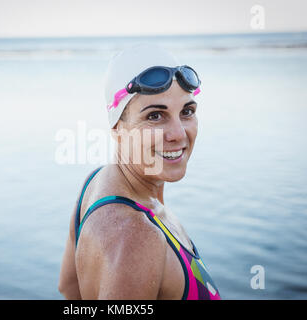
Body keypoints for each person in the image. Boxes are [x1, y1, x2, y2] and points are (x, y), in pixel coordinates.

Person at [59, 43, 220, 300]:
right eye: (155, 116)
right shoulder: (137, 239)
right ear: (117, 128)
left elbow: (69, 288)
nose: (179, 133)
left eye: (187, 112)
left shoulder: (95, 182)